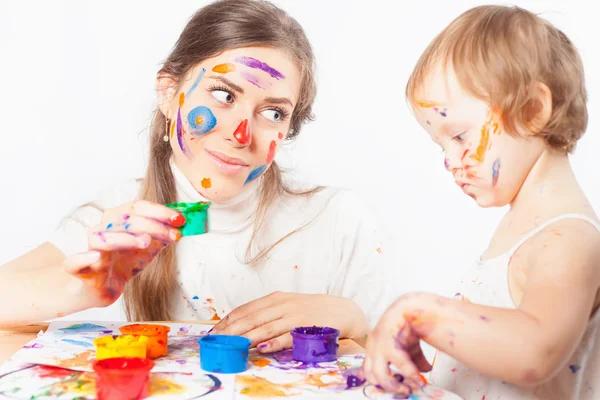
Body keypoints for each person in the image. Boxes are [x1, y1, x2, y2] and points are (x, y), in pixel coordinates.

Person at [0, 0, 388, 353]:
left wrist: (352, 318)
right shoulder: (119, 221)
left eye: (273, 113)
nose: (242, 135)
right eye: (224, 94)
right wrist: (80, 288)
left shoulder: (339, 220)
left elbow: (399, 368)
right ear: (169, 94)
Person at [362, 5, 600, 399]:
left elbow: (534, 352)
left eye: (458, 136)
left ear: (533, 111)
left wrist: (419, 311)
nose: (448, 161)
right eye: (439, 144)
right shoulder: (525, 226)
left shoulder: (568, 237)